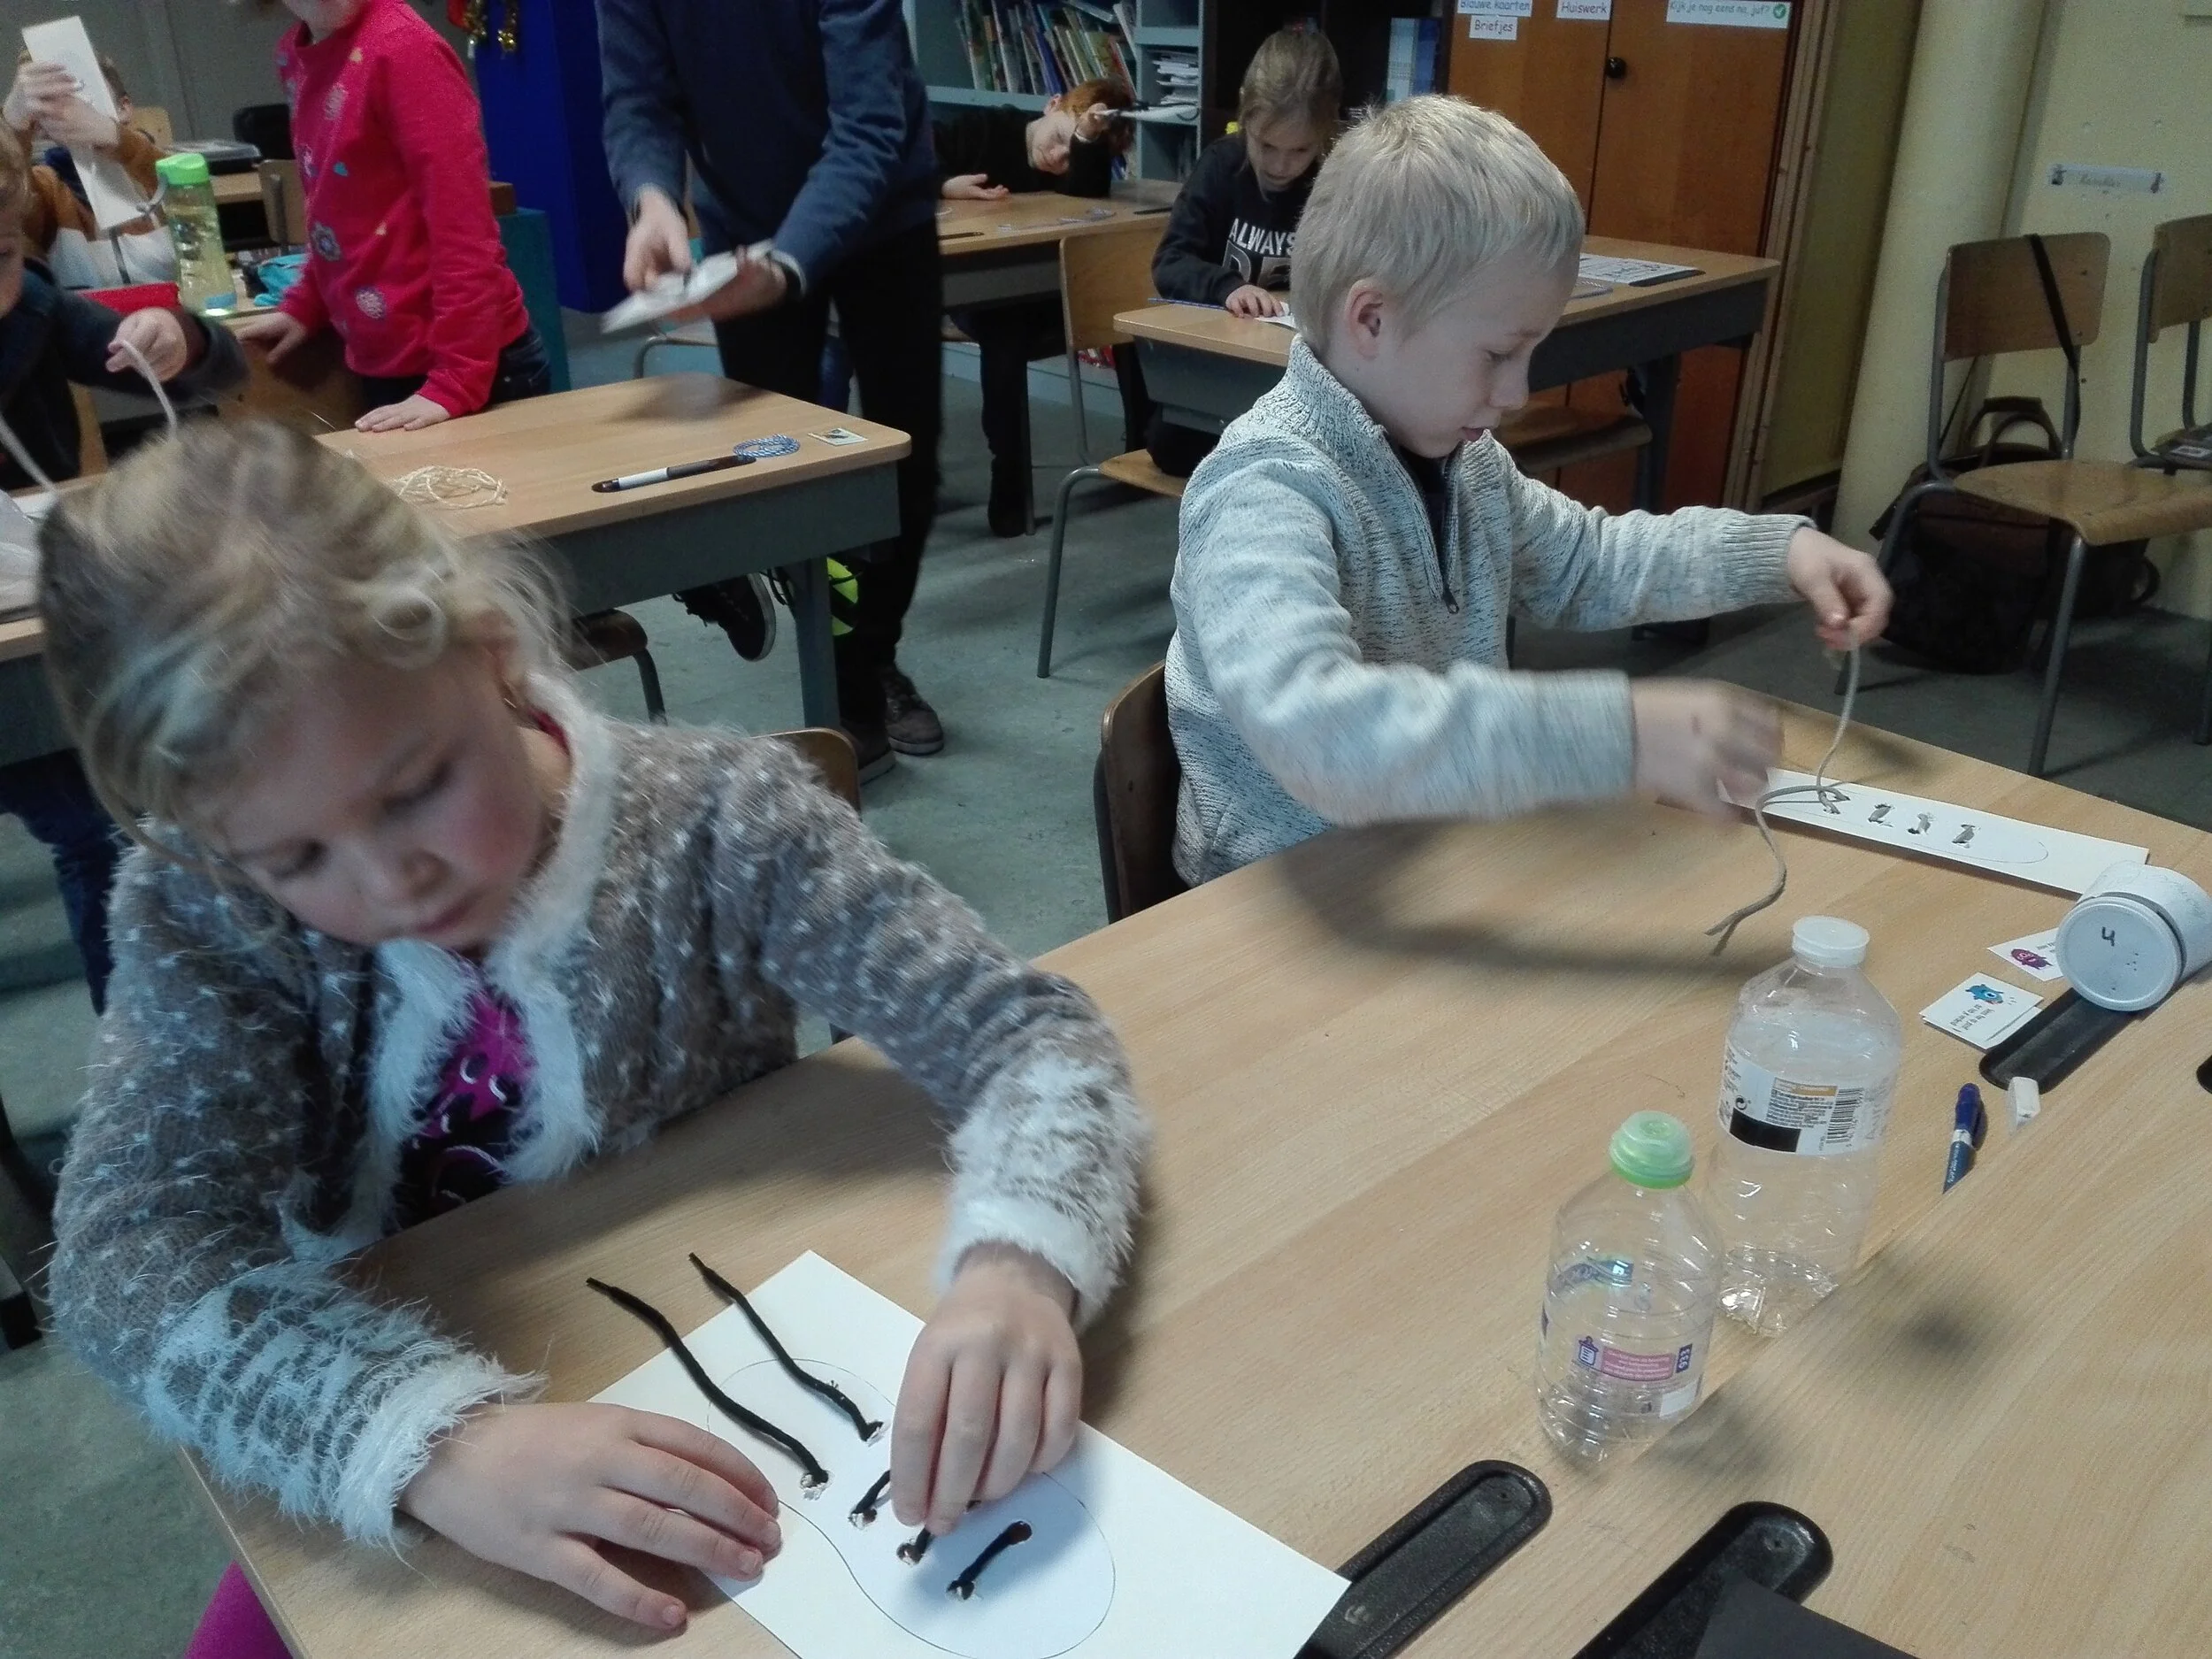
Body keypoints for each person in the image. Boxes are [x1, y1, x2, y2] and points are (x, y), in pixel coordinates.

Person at [41, 422, 1148, 1652]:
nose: (391, 880)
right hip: (396, 1422)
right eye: (297, 855)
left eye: (418, 787)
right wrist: (433, 1443)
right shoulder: (206, 905)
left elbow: (1025, 1036)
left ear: (494, 653)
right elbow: (126, 1252)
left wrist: (1018, 1265)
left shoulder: (725, 822)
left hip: (732, 1365)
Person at [1166, 97, 1892, 886]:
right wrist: (1617, 734)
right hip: (1274, 897)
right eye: (1498, 354)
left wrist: (1781, 550)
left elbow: (1589, 562)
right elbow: (1319, 732)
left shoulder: (1467, 463)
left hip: (1441, 853)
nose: (1518, 392)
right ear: (1371, 319)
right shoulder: (1265, 488)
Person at [600, 0, 947, 778]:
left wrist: (790, 264)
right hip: (744, 224)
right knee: (776, 469)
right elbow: (638, 101)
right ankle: (836, 652)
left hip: (883, 216)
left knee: (904, 459)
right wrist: (652, 195)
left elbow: (868, 126)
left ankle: (867, 665)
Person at [0, 125, 241, 1011]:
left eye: (1, 255)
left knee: (108, 821)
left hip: (43, 634)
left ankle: (152, 1029)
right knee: (92, 821)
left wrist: (178, 338)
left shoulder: (30, 309)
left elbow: (209, 371)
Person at [233, 0, 551, 434]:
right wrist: (307, 303)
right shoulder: (294, 54)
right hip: (386, 361)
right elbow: (332, 205)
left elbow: (465, 234)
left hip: (472, 366)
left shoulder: (404, 48)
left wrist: (458, 377)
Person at [934, 78, 1136, 536]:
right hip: (982, 295)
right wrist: (945, 184)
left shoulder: (1080, 164)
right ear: (1051, 105)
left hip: (1048, 294)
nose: (1059, 156)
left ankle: (1145, 449)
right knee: (1004, 335)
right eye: (1061, 136)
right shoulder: (982, 130)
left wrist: (1086, 140)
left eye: (1074, 149)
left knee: (1127, 306)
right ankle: (1008, 473)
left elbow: (1090, 190)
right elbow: (912, 159)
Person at [1143, 27, 1340, 477]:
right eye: (1266, 145)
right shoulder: (1221, 167)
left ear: (1325, 135)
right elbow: (1170, 263)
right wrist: (1227, 287)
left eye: (1300, 150)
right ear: (1245, 116)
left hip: (1295, 372)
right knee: (1171, 445)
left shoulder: (1332, 180)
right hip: (1219, 369)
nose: (1281, 165)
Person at [4, 53, 169, 276]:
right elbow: (10, 209)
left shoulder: (150, 167)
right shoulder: (49, 189)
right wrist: (12, 128)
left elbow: (191, 199)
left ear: (124, 107)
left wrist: (116, 137)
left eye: (83, 88)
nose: (74, 106)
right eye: (52, 99)